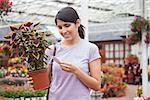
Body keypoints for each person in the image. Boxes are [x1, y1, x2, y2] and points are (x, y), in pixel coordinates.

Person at [45, 7, 101, 100]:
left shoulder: (90, 49)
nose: (63, 31)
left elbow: (97, 85)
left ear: (77, 23)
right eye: (60, 27)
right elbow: (44, 82)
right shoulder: (52, 50)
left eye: (67, 25)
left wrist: (76, 71)